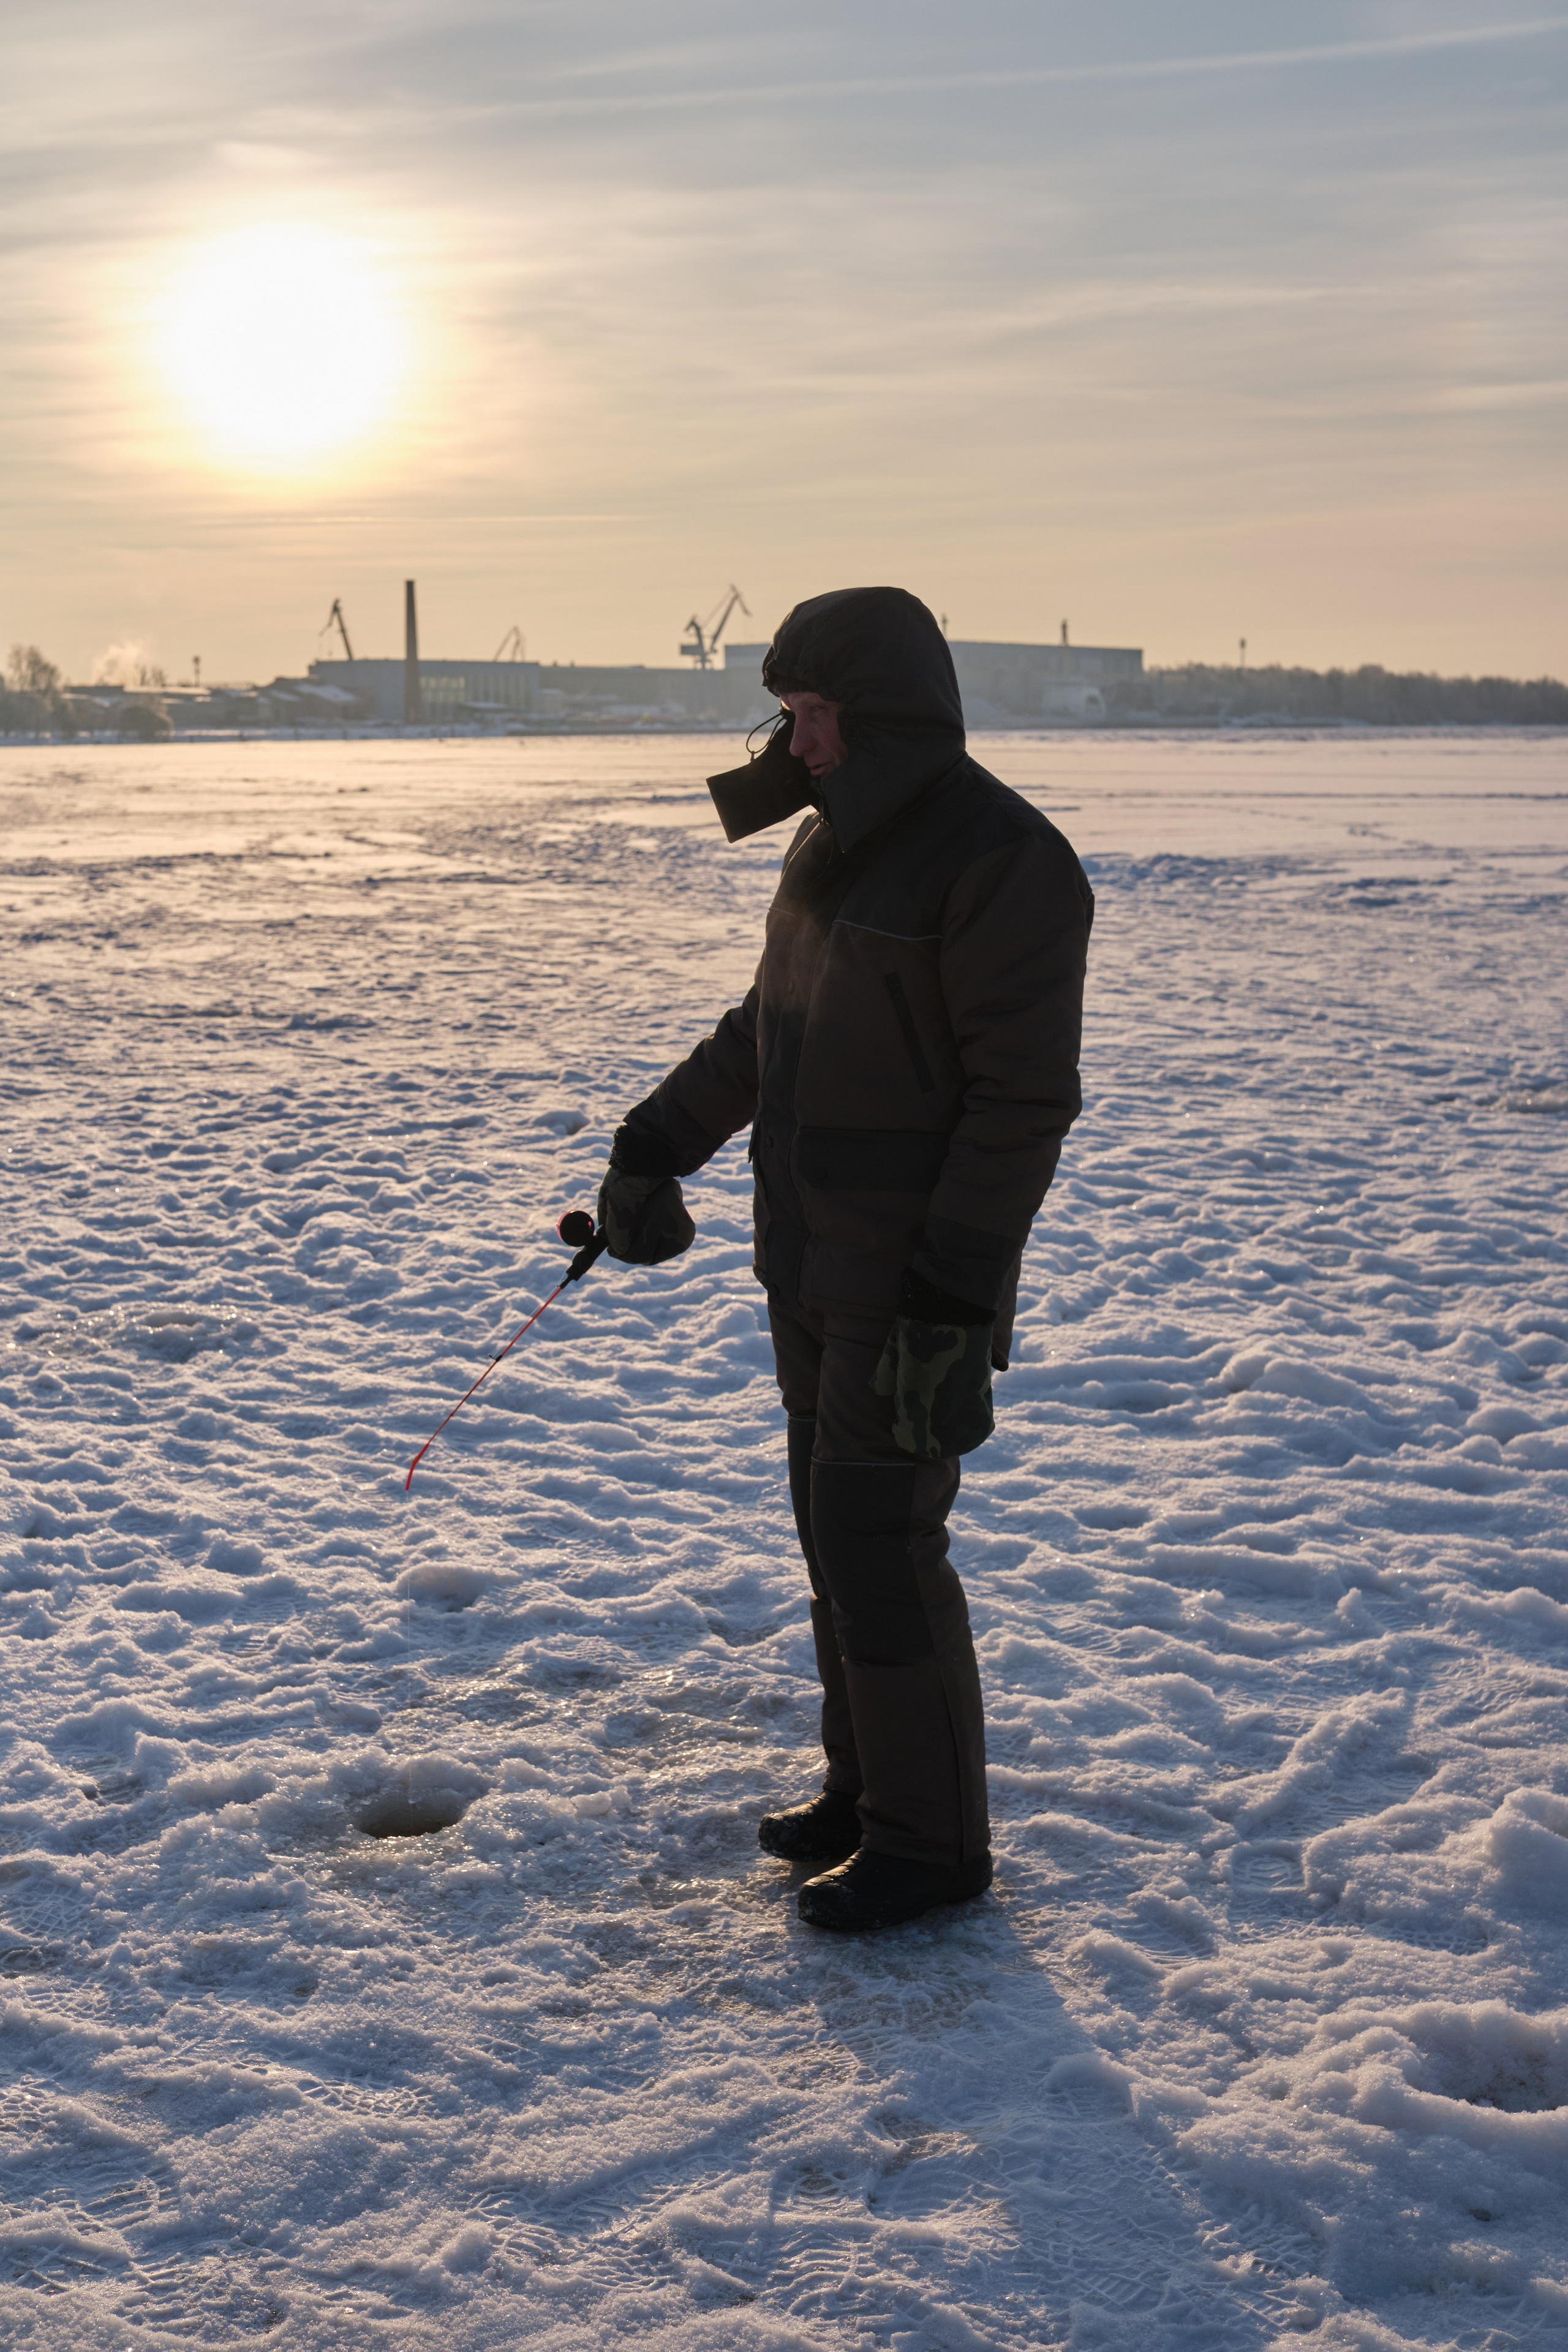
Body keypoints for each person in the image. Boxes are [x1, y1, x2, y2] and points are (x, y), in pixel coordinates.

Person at [597, 586, 1093, 1932]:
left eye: (813, 717)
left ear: (877, 717)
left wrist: (950, 1290)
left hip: (909, 1282)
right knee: (836, 1537)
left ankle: (930, 1848)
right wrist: (652, 1146)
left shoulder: (1001, 859)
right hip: (807, 1262)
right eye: (788, 717)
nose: (794, 743)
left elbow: (1019, 1103)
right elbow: (768, 1029)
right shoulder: (828, 846)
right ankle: (866, 1794)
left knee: (880, 1542)